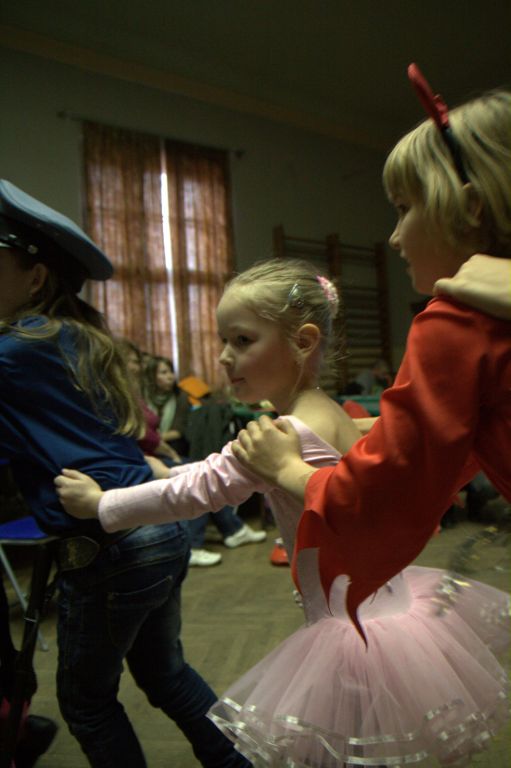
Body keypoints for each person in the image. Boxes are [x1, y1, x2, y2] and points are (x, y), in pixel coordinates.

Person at [55, 258, 509, 767]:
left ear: (303, 342)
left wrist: (103, 505)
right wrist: (165, 471)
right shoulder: (330, 412)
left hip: (351, 635)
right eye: (223, 340)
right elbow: (214, 470)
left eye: (243, 340)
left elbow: (201, 491)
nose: (224, 356)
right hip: (390, 614)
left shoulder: (286, 434)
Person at [222, 76, 511, 637]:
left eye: (404, 209)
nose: (395, 238)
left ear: (469, 207)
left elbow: (383, 497)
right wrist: (387, 431)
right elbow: (464, 434)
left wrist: (286, 469)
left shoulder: (457, 322)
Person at [0, 179, 250, 768]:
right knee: (167, 675)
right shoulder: (81, 339)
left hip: (108, 544)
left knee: (86, 705)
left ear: (36, 278)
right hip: (157, 525)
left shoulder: (13, 353)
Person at [144, 354, 266, 567]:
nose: (170, 376)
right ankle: (220, 535)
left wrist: (161, 444)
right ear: (151, 376)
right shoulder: (144, 399)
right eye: (163, 372)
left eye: (170, 371)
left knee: (202, 475)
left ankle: (231, 532)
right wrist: (158, 444)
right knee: (199, 478)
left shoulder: (180, 397)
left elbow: (179, 430)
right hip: (153, 455)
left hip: (171, 452)